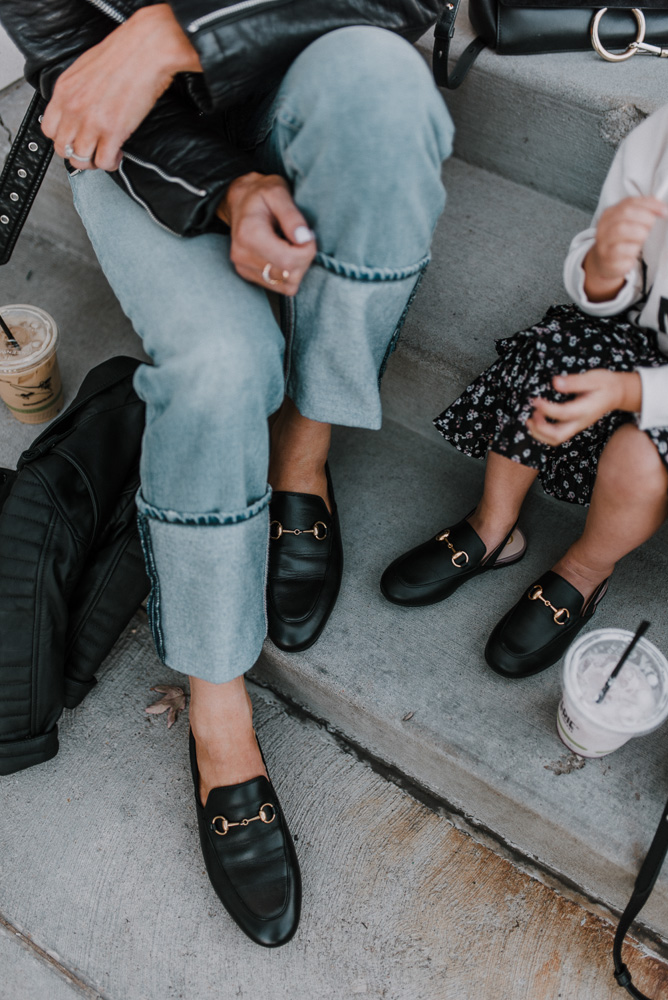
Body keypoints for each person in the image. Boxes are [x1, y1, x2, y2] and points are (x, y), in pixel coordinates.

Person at [0, 0, 453, 946]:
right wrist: (230, 192)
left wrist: (173, 32)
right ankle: (217, 706)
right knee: (217, 367)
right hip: (144, 152)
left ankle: (304, 456)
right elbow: (73, 72)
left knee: (385, 86)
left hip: (324, 72)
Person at [381, 103, 668, 681]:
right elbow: (600, 270)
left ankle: (586, 572)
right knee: (556, 352)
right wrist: (606, 266)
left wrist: (632, 390)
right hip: (643, 331)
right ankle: (493, 528)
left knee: (639, 458)